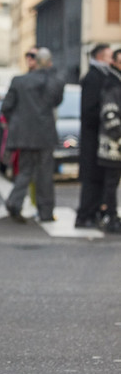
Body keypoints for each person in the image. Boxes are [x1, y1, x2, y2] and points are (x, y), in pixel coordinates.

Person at [2, 47, 64, 223]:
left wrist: (15, 123)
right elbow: (57, 100)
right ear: (49, 63)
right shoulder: (53, 81)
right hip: (45, 135)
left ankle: (14, 203)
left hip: (24, 135)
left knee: (24, 171)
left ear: (35, 62)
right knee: (45, 174)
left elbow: (7, 107)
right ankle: (46, 212)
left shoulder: (19, 81)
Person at [75, 43, 113, 228]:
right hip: (93, 137)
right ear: (99, 57)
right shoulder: (93, 77)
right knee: (92, 178)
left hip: (96, 136)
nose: (111, 60)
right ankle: (85, 215)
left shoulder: (102, 75)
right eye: (109, 56)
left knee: (98, 177)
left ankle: (93, 213)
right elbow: (89, 110)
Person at [96, 48, 121, 233]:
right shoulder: (112, 84)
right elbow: (109, 114)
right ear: (114, 62)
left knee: (111, 182)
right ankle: (110, 216)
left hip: (114, 143)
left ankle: (111, 214)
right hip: (112, 145)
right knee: (111, 183)